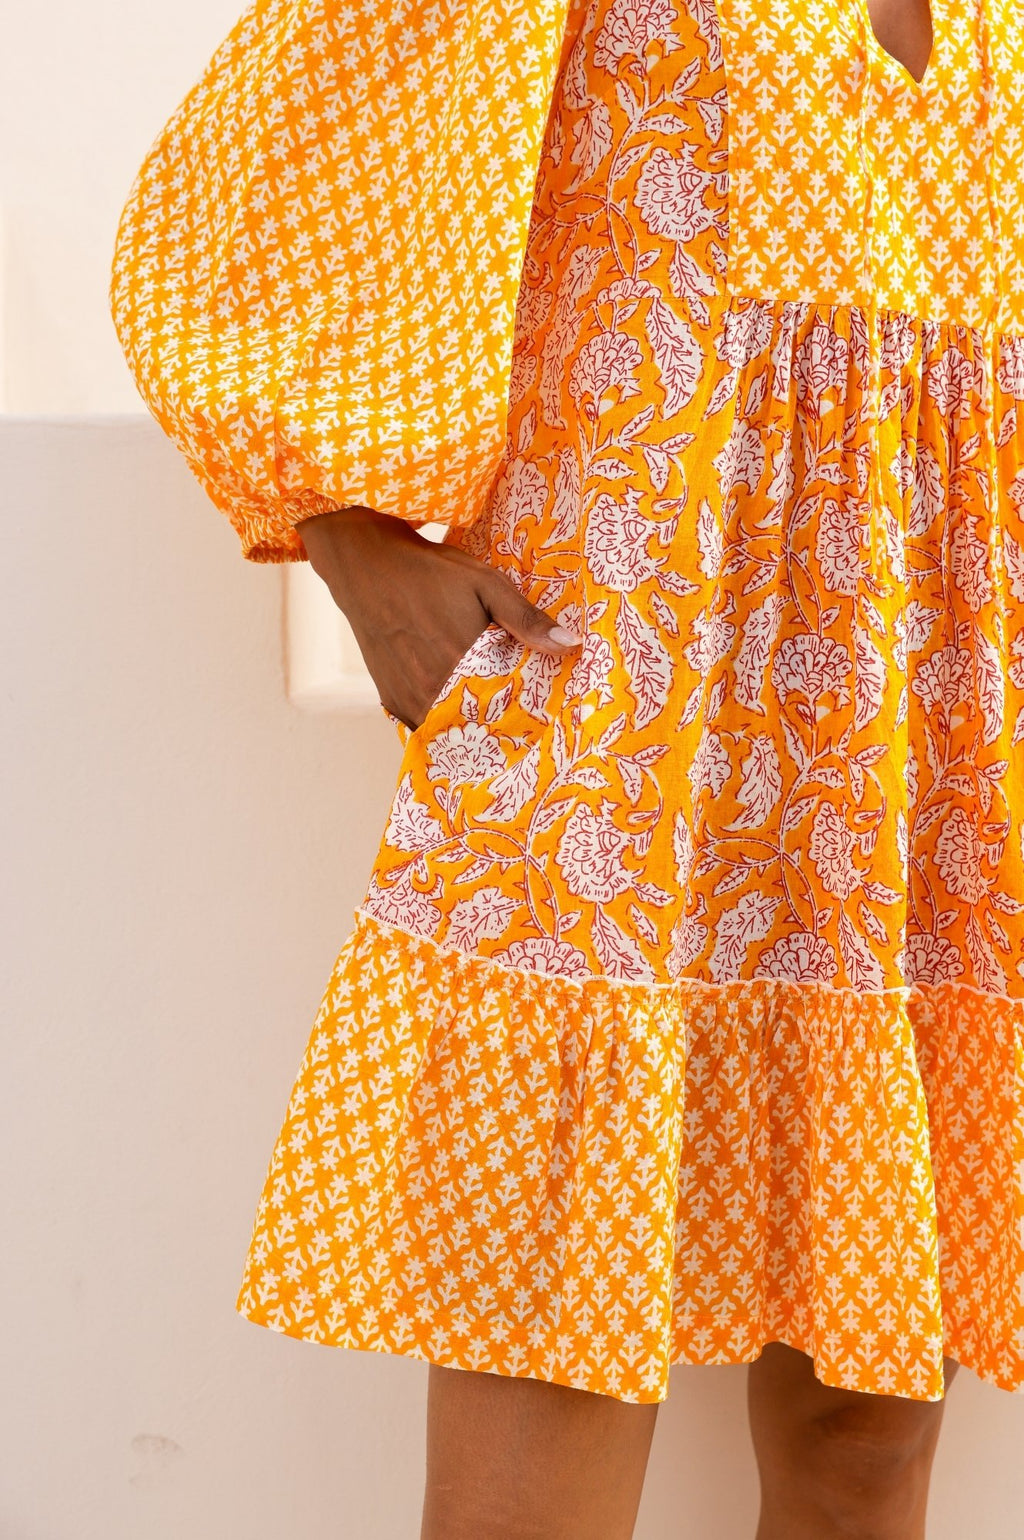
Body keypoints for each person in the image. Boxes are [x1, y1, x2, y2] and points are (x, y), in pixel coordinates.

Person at [110, 0, 1024, 1532]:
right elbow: (266, 164)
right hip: (619, 730)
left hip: (916, 758)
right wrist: (346, 539)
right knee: (541, 1442)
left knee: (868, 1446)